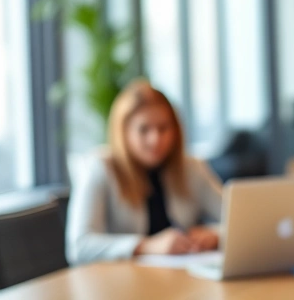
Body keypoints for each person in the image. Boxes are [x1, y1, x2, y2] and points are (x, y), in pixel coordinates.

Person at [66, 79, 223, 264]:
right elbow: (79, 247)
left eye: (163, 128)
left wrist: (216, 235)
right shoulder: (100, 168)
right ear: (124, 132)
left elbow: (239, 219)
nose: (155, 139)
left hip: (183, 273)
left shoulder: (191, 167)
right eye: (144, 129)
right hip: (123, 279)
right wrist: (145, 246)